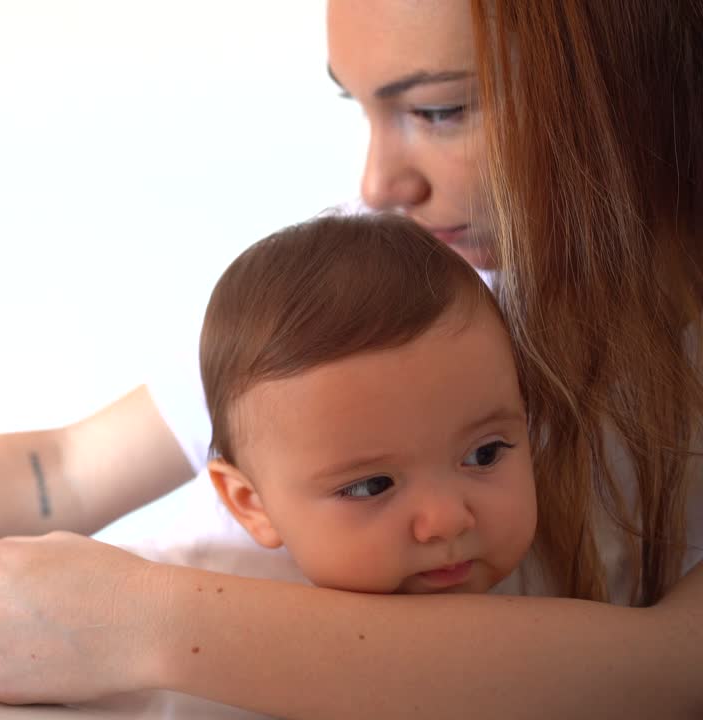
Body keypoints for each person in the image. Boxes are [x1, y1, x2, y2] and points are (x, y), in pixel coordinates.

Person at [0, 1, 703, 717]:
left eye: (438, 111)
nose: (374, 184)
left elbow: (668, 675)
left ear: (625, 68)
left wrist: (147, 624)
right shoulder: (410, 273)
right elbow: (54, 474)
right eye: (358, 111)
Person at [198, 214, 535, 595]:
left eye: (485, 454)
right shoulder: (221, 620)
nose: (448, 520)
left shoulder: (578, 571)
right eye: (371, 486)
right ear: (253, 505)